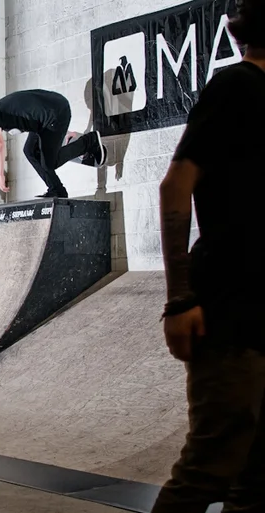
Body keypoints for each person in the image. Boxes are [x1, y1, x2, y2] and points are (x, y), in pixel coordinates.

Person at [150, 0, 265, 510]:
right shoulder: (236, 86)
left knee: (257, 477)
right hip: (230, 306)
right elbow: (175, 186)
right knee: (211, 465)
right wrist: (179, 299)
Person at [0, 89, 107, 198]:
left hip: (54, 115)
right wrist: (65, 132)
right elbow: (34, 110)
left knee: (49, 163)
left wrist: (0, 176)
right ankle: (56, 190)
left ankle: (90, 141)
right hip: (49, 114)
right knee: (29, 150)